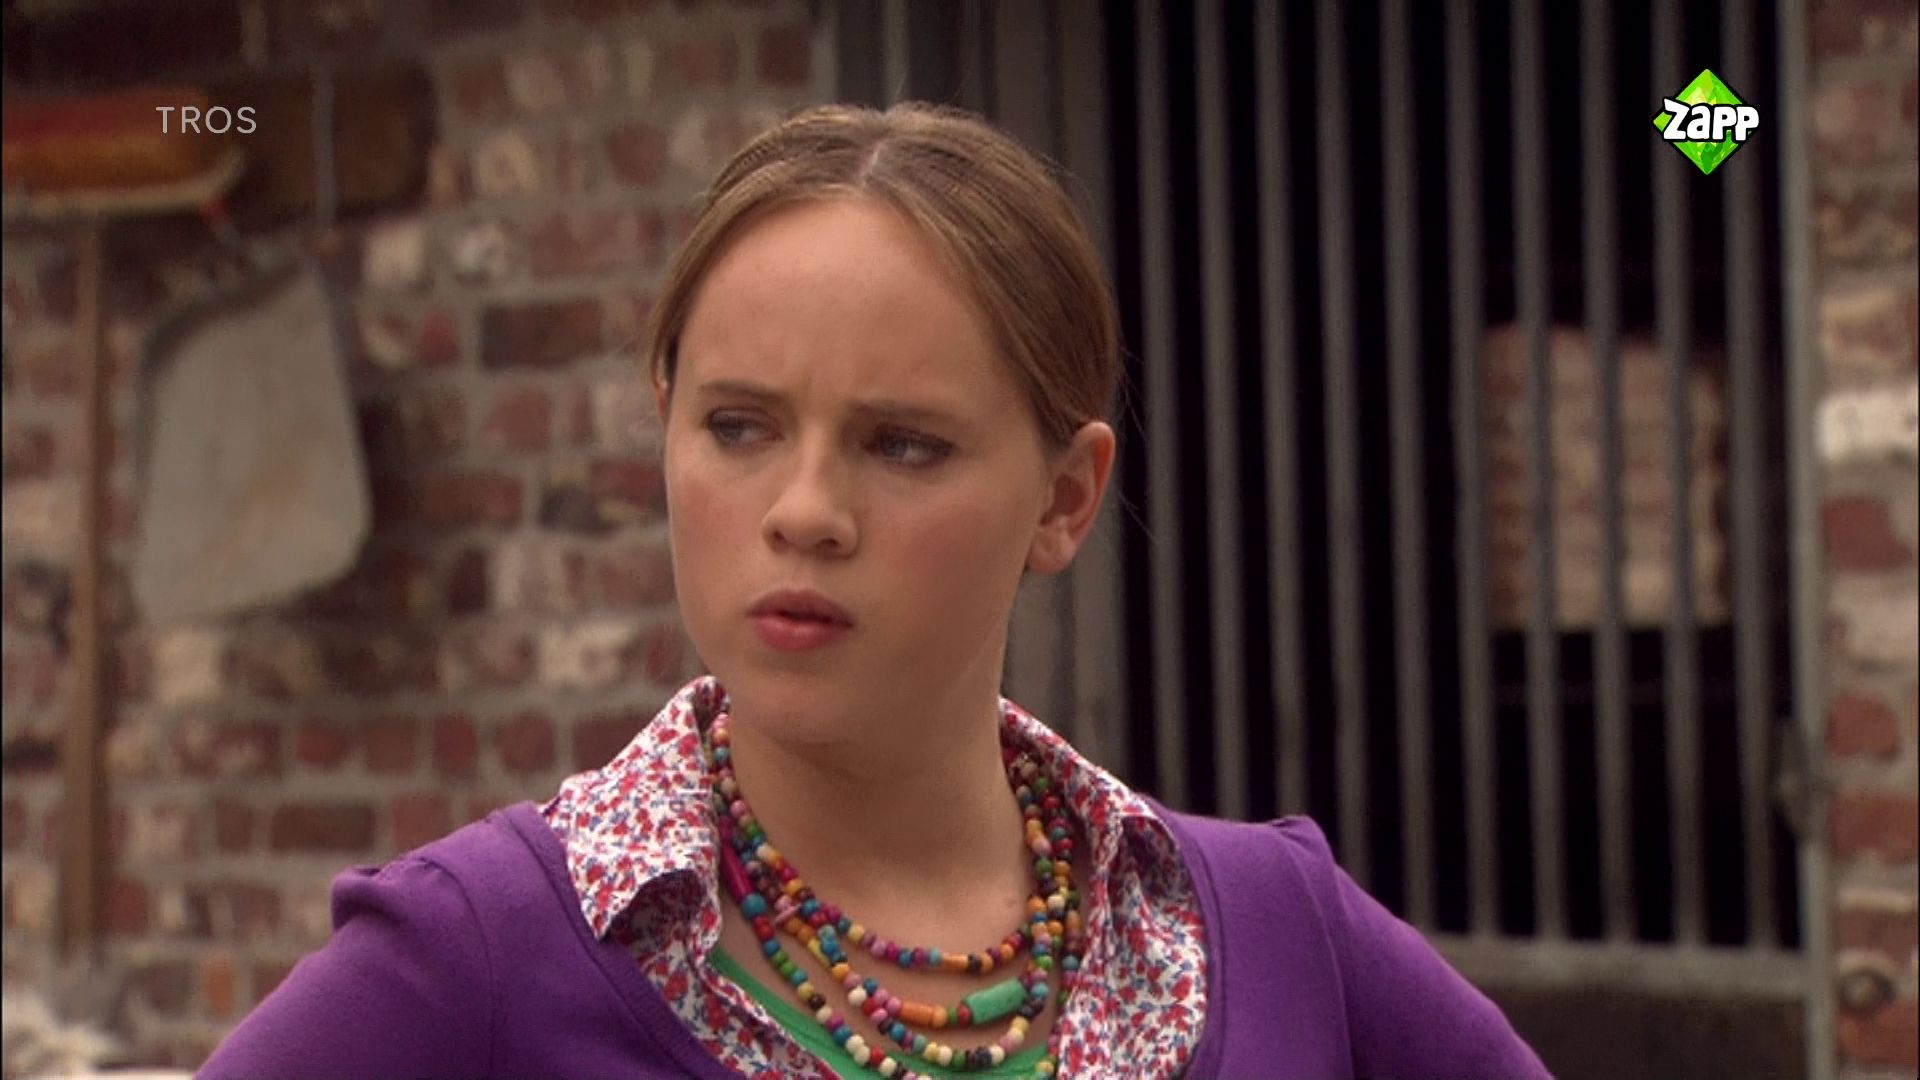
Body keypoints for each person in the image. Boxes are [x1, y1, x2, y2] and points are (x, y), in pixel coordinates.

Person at [199, 102, 1548, 1080]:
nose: (803, 510)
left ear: (1064, 498)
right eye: (738, 426)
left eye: (902, 444)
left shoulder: (1268, 928)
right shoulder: (486, 949)